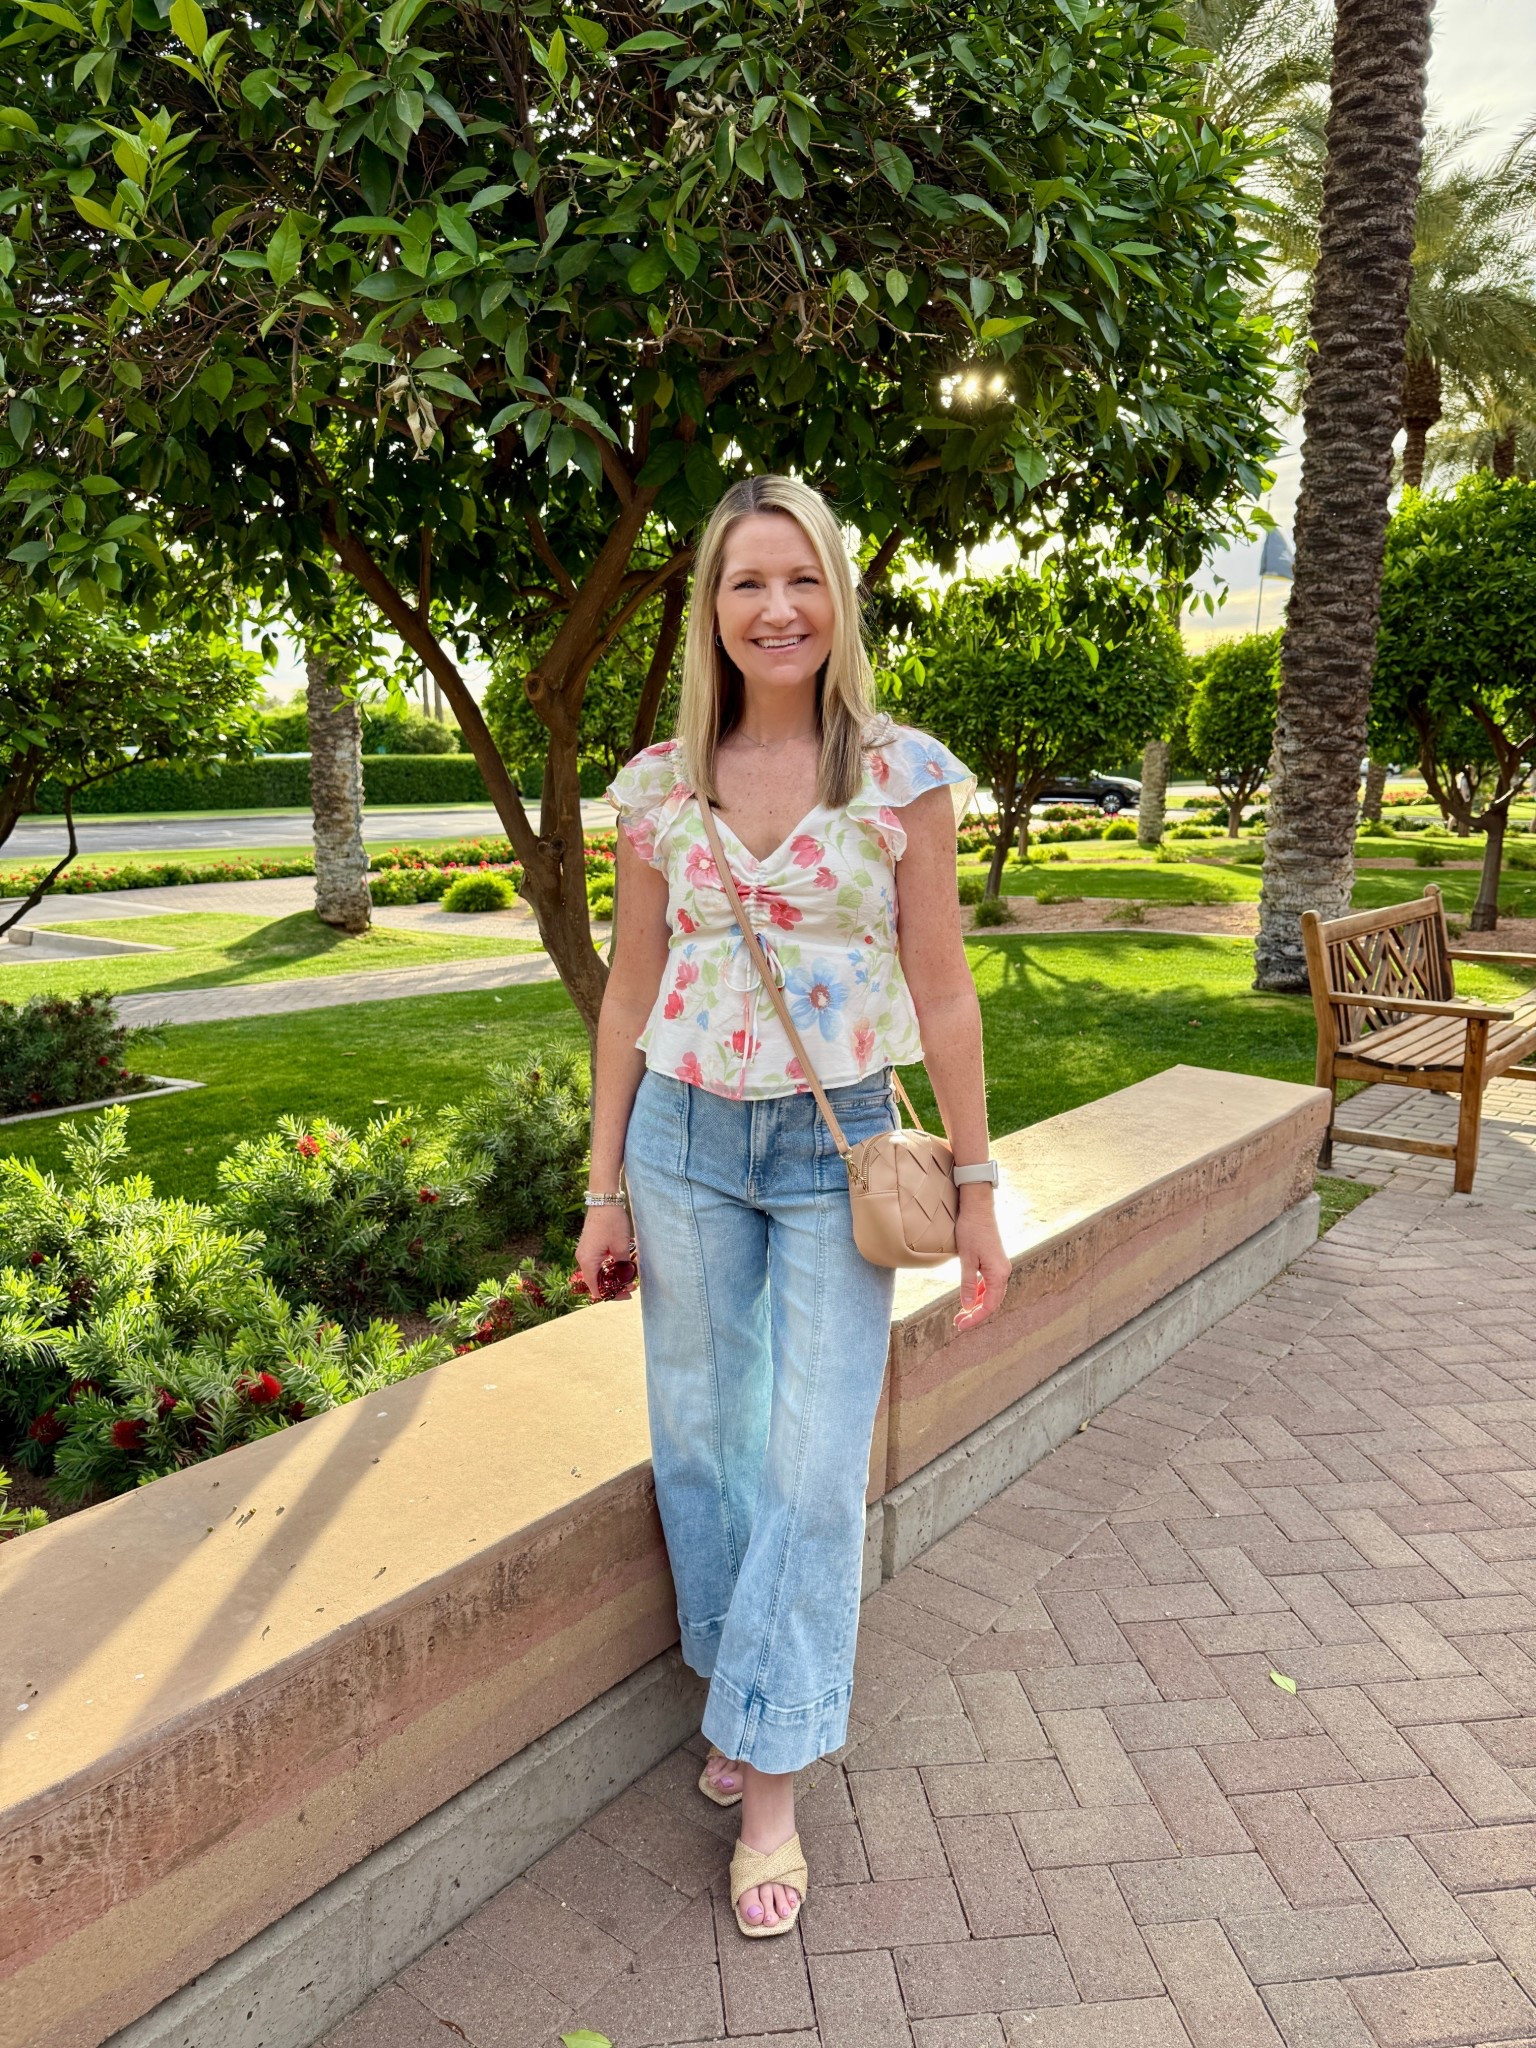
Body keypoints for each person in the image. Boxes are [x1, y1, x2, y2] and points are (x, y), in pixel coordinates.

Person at [576, 474, 1009, 1940]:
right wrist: (601, 1188)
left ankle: (771, 1783)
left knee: (814, 1468)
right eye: (747, 583)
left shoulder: (901, 775)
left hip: (842, 1154)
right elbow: (633, 993)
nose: (778, 609)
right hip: (684, 1142)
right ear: (710, 609)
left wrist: (979, 1182)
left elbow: (942, 987)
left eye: (803, 579)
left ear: (839, 599)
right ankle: (746, 1686)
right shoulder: (653, 788)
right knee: (699, 1446)